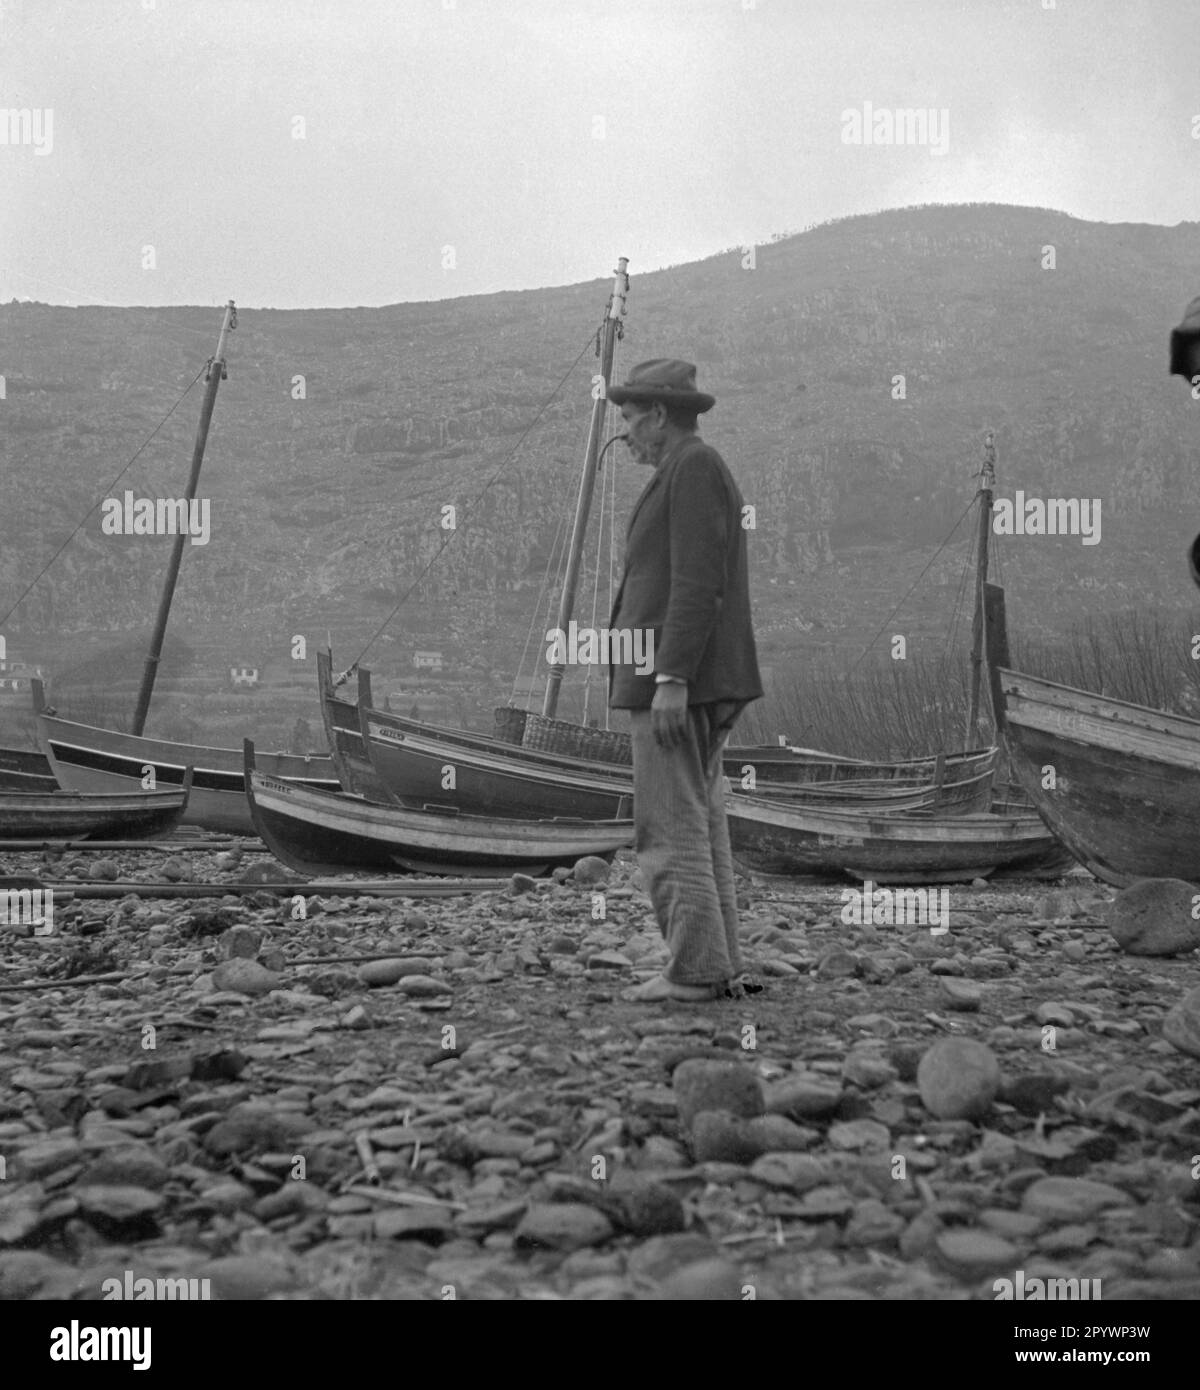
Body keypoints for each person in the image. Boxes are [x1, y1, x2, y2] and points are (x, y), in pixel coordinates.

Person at [606, 359, 763, 1002]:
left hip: (677, 684)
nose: (625, 436)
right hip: (690, 680)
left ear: (659, 415)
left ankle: (696, 969)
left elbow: (698, 582)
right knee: (699, 824)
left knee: (669, 825)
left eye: (628, 421)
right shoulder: (689, 469)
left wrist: (669, 676)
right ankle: (716, 963)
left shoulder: (693, 468)